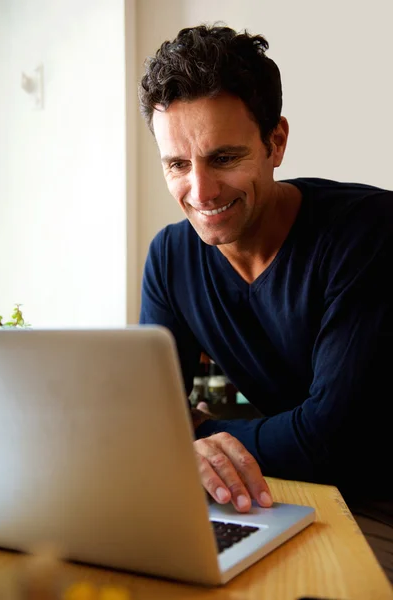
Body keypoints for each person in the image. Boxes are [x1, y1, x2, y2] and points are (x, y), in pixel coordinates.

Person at [138, 24, 393, 581]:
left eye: (223, 158)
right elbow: (150, 421)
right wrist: (174, 440)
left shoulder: (369, 233)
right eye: (177, 164)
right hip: (273, 490)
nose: (200, 193)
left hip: (378, 498)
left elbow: (331, 437)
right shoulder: (169, 257)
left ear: (275, 141)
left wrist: (193, 440)